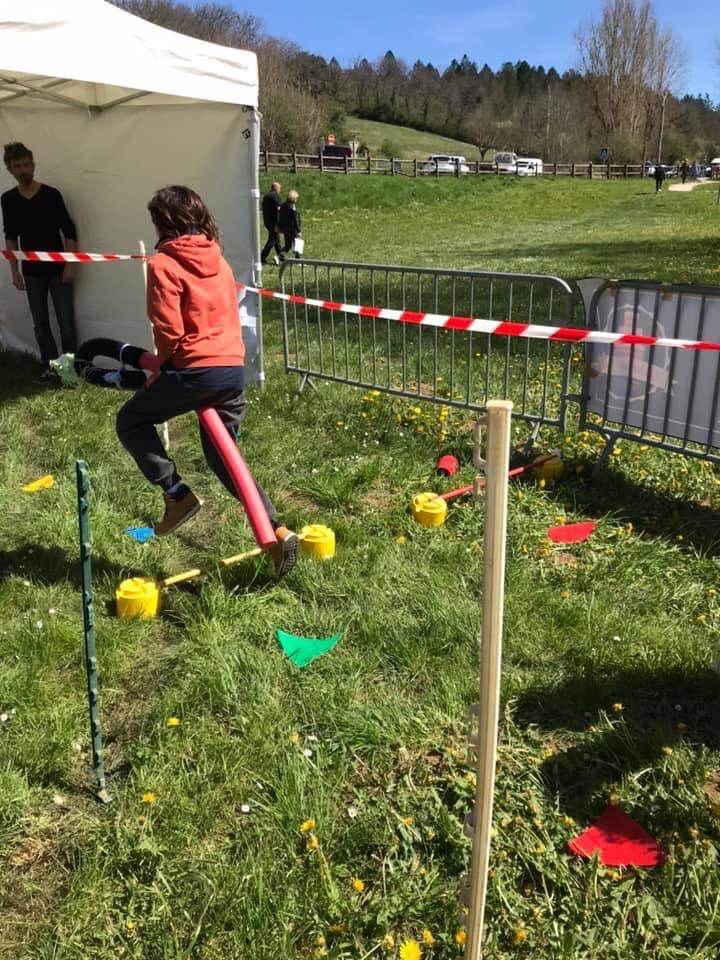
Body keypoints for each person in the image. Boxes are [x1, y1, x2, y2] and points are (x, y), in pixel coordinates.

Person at [115, 185, 298, 576]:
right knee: (223, 457)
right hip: (232, 371)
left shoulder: (163, 264)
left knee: (130, 421)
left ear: (163, 224)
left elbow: (168, 330)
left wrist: (160, 371)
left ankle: (176, 494)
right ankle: (277, 531)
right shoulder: (221, 262)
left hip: (193, 370)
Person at [1, 142, 78, 382]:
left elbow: (69, 230)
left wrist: (70, 264)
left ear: (33, 165)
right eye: (18, 166)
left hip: (57, 268)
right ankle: (51, 366)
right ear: (9, 169)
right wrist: (14, 271)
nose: (24, 170)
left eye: (27, 164)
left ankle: (71, 369)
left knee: (66, 322)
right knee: (40, 323)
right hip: (31, 271)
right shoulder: (8, 199)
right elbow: (11, 236)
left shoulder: (51, 194)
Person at [260, 180, 282, 265]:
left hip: (267, 220)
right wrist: (278, 223)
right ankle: (262, 256)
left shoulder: (266, 196)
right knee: (273, 239)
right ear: (276, 188)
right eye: (280, 188)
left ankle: (281, 255)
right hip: (274, 222)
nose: (280, 190)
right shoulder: (276, 196)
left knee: (276, 239)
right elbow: (278, 210)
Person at [279, 189, 302, 259]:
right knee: (298, 243)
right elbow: (295, 219)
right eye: (296, 198)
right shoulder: (292, 207)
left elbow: (280, 216)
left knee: (288, 245)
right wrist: (298, 230)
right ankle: (298, 259)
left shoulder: (283, 205)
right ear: (293, 198)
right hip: (292, 228)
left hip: (285, 228)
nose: (296, 200)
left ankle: (279, 256)